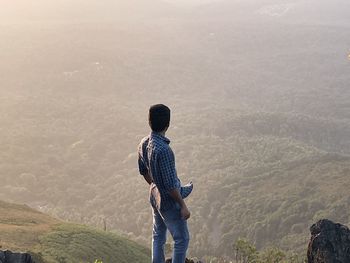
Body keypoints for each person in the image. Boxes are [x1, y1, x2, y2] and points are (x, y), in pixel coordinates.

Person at [138, 104, 193, 263]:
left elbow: (143, 170)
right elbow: (170, 185)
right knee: (182, 239)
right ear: (167, 124)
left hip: (154, 196)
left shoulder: (144, 143)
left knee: (158, 235)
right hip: (169, 201)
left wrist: (154, 186)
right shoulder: (164, 151)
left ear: (149, 121)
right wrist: (183, 205)